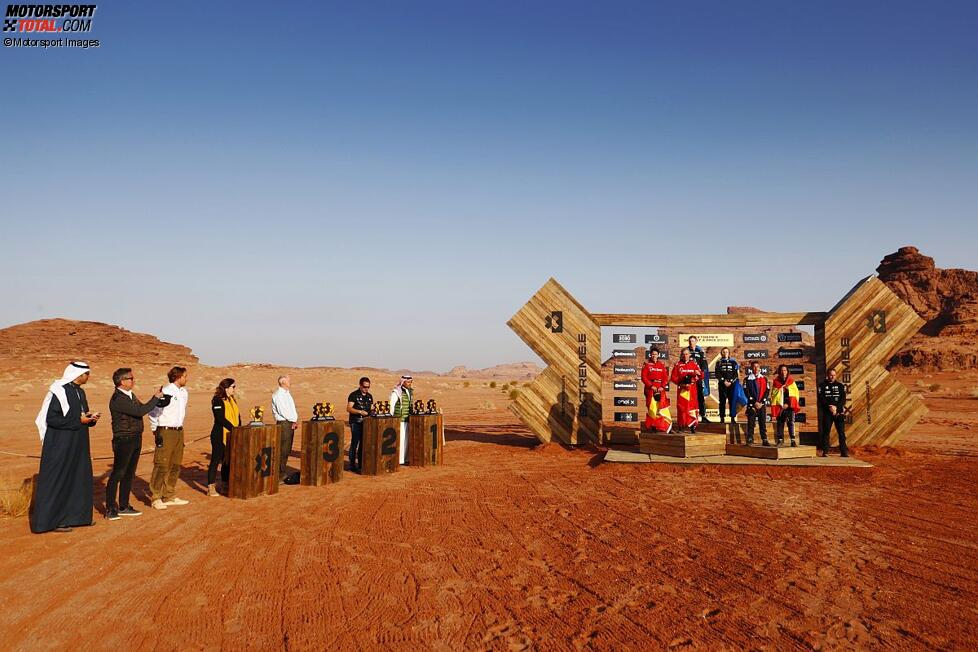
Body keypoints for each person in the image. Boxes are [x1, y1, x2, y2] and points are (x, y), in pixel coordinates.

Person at [31, 362, 100, 533]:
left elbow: (80, 415)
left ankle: (78, 518)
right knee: (58, 479)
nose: (88, 377)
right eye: (87, 374)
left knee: (78, 477)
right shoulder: (59, 391)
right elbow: (52, 419)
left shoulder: (80, 392)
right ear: (78, 374)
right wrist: (79, 421)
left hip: (79, 442)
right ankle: (51, 522)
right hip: (60, 443)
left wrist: (90, 419)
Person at [105, 368, 165, 520]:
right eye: (131, 378)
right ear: (122, 381)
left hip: (135, 438)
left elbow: (141, 408)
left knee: (129, 474)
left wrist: (157, 400)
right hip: (124, 439)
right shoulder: (118, 398)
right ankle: (110, 508)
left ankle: (124, 506)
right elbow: (140, 411)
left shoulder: (130, 395)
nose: (133, 380)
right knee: (118, 474)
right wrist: (155, 398)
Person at [148, 366, 190, 510]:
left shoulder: (184, 392)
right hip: (165, 430)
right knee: (162, 464)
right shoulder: (165, 391)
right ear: (178, 377)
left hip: (179, 431)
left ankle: (169, 495)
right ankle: (156, 497)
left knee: (175, 464)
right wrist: (156, 430)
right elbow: (153, 412)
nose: (187, 378)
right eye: (185, 376)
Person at [208, 378, 240, 495]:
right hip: (219, 434)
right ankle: (211, 487)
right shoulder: (217, 400)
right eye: (233, 387)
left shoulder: (232, 400)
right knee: (216, 460)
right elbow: (220, 418)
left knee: (227, 461)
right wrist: (234, 428)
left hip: (232, 435)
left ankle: (225, 484)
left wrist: (239, 429)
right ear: (226, 388)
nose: (234, 389)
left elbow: (237, 416)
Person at [271, 375, 299, 481]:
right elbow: (283, 411)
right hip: (284, 423)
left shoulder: (287, 394)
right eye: (288, 380)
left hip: (289, 423)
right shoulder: (278, 395)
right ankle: (278, 474)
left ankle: (281, 472)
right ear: (283, 382)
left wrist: (294, 420)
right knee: (282, 449)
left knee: (287, 449)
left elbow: (291, 409)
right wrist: (292, 419)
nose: (290, 382)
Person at [818, 369, 849, 458]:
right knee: (826, 432)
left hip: (838, 413)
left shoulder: (840, 386)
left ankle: (844, 452)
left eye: (834, 375)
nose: (832, 377)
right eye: (831, 375)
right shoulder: (822, 385)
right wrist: (830, 407)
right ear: (827, 375)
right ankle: (825, 452)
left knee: (841, 433)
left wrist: (836, 408)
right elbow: (821, 398)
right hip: (827, 413)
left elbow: (843, 399)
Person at [671, 349, 702, 433]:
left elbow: (701, 375)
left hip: (692, 390)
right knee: (682, 408)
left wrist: (698, 374)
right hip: (682, 390)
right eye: (684, 354)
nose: (685, 356)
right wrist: (681, 383)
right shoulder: (678, 365)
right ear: (681, 355)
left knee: (692, 408)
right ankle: (681, 426)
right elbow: (673, 378)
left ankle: (692, 426)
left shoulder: (694, 364)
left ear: (690, 355)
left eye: (687, 354)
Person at [641, 347, 671, 432]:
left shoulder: (661, 365)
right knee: (652, 408)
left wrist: (662, 386)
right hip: (650, 389)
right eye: (653, 354)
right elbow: (644, 377)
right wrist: (651, 386)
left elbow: (665, 378)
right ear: (650, 355)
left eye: (656, 354)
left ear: (658, 355)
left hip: (660, 389)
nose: (654, 355)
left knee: (660, 407)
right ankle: (653, 426)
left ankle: (661, 426)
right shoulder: (646, 365)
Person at [346, 377, 373, 472]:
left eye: (368, 387)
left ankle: (361, 464)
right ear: (360, 385)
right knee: (354, 443)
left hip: (366, 423)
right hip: (356, 422)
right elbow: (349, 408)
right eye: (365, 387)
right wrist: (359, 412)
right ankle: (352, 465)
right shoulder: (353, 395)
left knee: (363, 444)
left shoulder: (369, 396)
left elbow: (371, 409)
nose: (366, 389)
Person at [770, 364, 801, 447]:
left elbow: (795, 394)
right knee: (780, 423)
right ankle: (780, 440)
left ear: (787, 372)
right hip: (780, 406)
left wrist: (788, 403)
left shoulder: (791, 381)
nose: (783, 372)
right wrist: (780, 392)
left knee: (791, 423)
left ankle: (793, 440)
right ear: (779, 372)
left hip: (789, 406)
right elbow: (773, 395)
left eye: (785, 370)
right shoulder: (776, 381)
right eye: (782, 370)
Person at [743, 362, 770, 446]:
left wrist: (761, 402)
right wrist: (754, 402)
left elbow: (767, 391)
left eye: (757, 366)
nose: (756, 368)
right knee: (751, 423)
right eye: (754, 367)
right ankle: (750, 438)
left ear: (759, 368)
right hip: (752, 404)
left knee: (762, 422)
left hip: (761, 404)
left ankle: (764, 439)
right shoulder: (747, 379)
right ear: (751, 368)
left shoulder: (765, 379)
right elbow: (746, 392)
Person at [685, 336, 710, 422]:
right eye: (690, 341)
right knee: (689, 398)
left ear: (696, 341)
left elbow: (704, 365)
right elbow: (684, 363)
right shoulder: (686, 351)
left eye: (693, 341)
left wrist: (700, 373)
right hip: (689, 378)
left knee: (700, 397)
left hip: (698, 377)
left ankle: (703, 416)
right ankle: (689, 418)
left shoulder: (700, 351)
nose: (691, 343)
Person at [390, 375, 414, 464]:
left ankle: (405, 459)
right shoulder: (396, 392)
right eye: (408, 382)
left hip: (407, 419)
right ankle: (399, 460)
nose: (409, 384)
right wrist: (391, 418)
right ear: (403, 382)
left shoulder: (410, 392)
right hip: (399, 420)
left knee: (406, 440)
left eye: (410, 382)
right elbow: (391, 405)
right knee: (400, 440)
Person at [714, 347, 740, 424]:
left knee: (732, 401)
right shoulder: (719, 362)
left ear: (729, 353)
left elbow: (735, 374)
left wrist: (731, 381)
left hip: (732, 384)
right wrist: (723, 381)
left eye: (727, 352)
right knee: (722, 401)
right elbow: (717, 373)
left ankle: (732, 418)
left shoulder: (733, 362)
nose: (725, 353)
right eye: (724, 352)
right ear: (721, 353)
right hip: (722, 384)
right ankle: (722, 418)